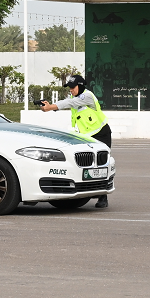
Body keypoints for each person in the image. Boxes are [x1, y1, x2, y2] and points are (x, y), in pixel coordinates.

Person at [38, 74, 110, 208]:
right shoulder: (74, 97)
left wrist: (50, 108)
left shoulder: (87, 96)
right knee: (86, 166)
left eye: (73, 87)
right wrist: (50, 105)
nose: (70, 89)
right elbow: (66, 102)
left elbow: (69, 103)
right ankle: (88, 191)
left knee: (100, 166)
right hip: (86, 136)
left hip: (101, 133)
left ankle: (103, 197)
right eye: (69, 87)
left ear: (81, 86)